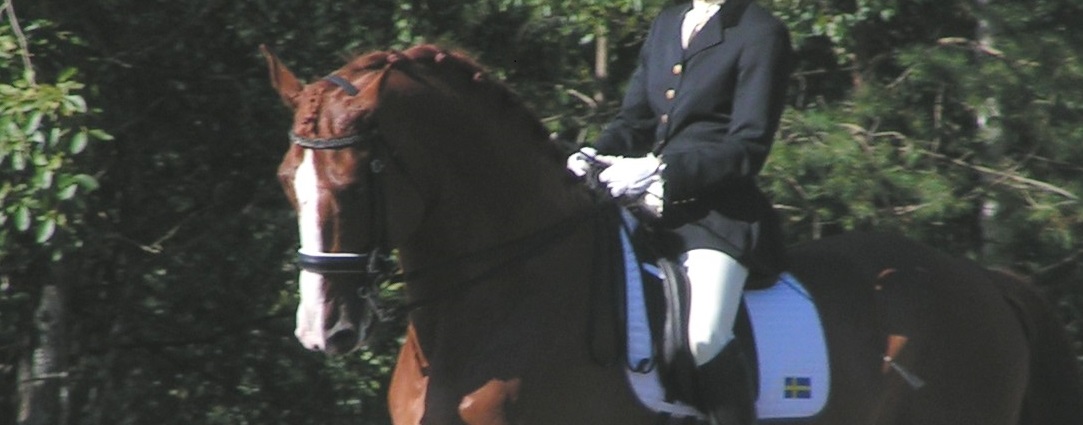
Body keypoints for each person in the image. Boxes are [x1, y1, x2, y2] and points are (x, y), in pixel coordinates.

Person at [566, 0, 792, 423]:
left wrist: (665, 169)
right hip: (644, 204)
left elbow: (749, 146)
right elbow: (634, 121)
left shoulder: (760, 31)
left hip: (716, 216)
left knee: (703, 336)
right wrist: (592, 154)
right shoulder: (668, 21)